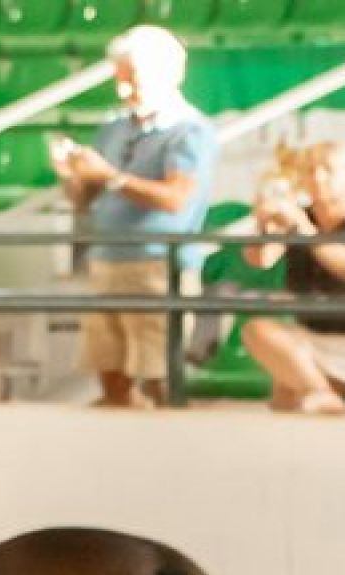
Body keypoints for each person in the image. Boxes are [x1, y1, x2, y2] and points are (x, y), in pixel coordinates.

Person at [53, 25, 219, 409]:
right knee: (107, 367)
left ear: (170, 74)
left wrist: (111, 176)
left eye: (135, 78)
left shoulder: (190, 131)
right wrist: (71, 174)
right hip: (106, 258)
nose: (125, 88)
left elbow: (176, 198)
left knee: (160, 371)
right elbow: (85, 198)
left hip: (157, 264)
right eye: (120, 78)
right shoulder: (114, 127)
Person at [241, 141, 345, 414]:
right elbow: (261, 260)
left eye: (327, 170)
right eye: (310, 170)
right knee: (258, 332)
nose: (317, 177)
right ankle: (320, 390)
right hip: (317, 334)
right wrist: (264, 223)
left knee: (289, 395)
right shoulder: (298, 218)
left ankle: (318, 390)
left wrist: (303, 229)